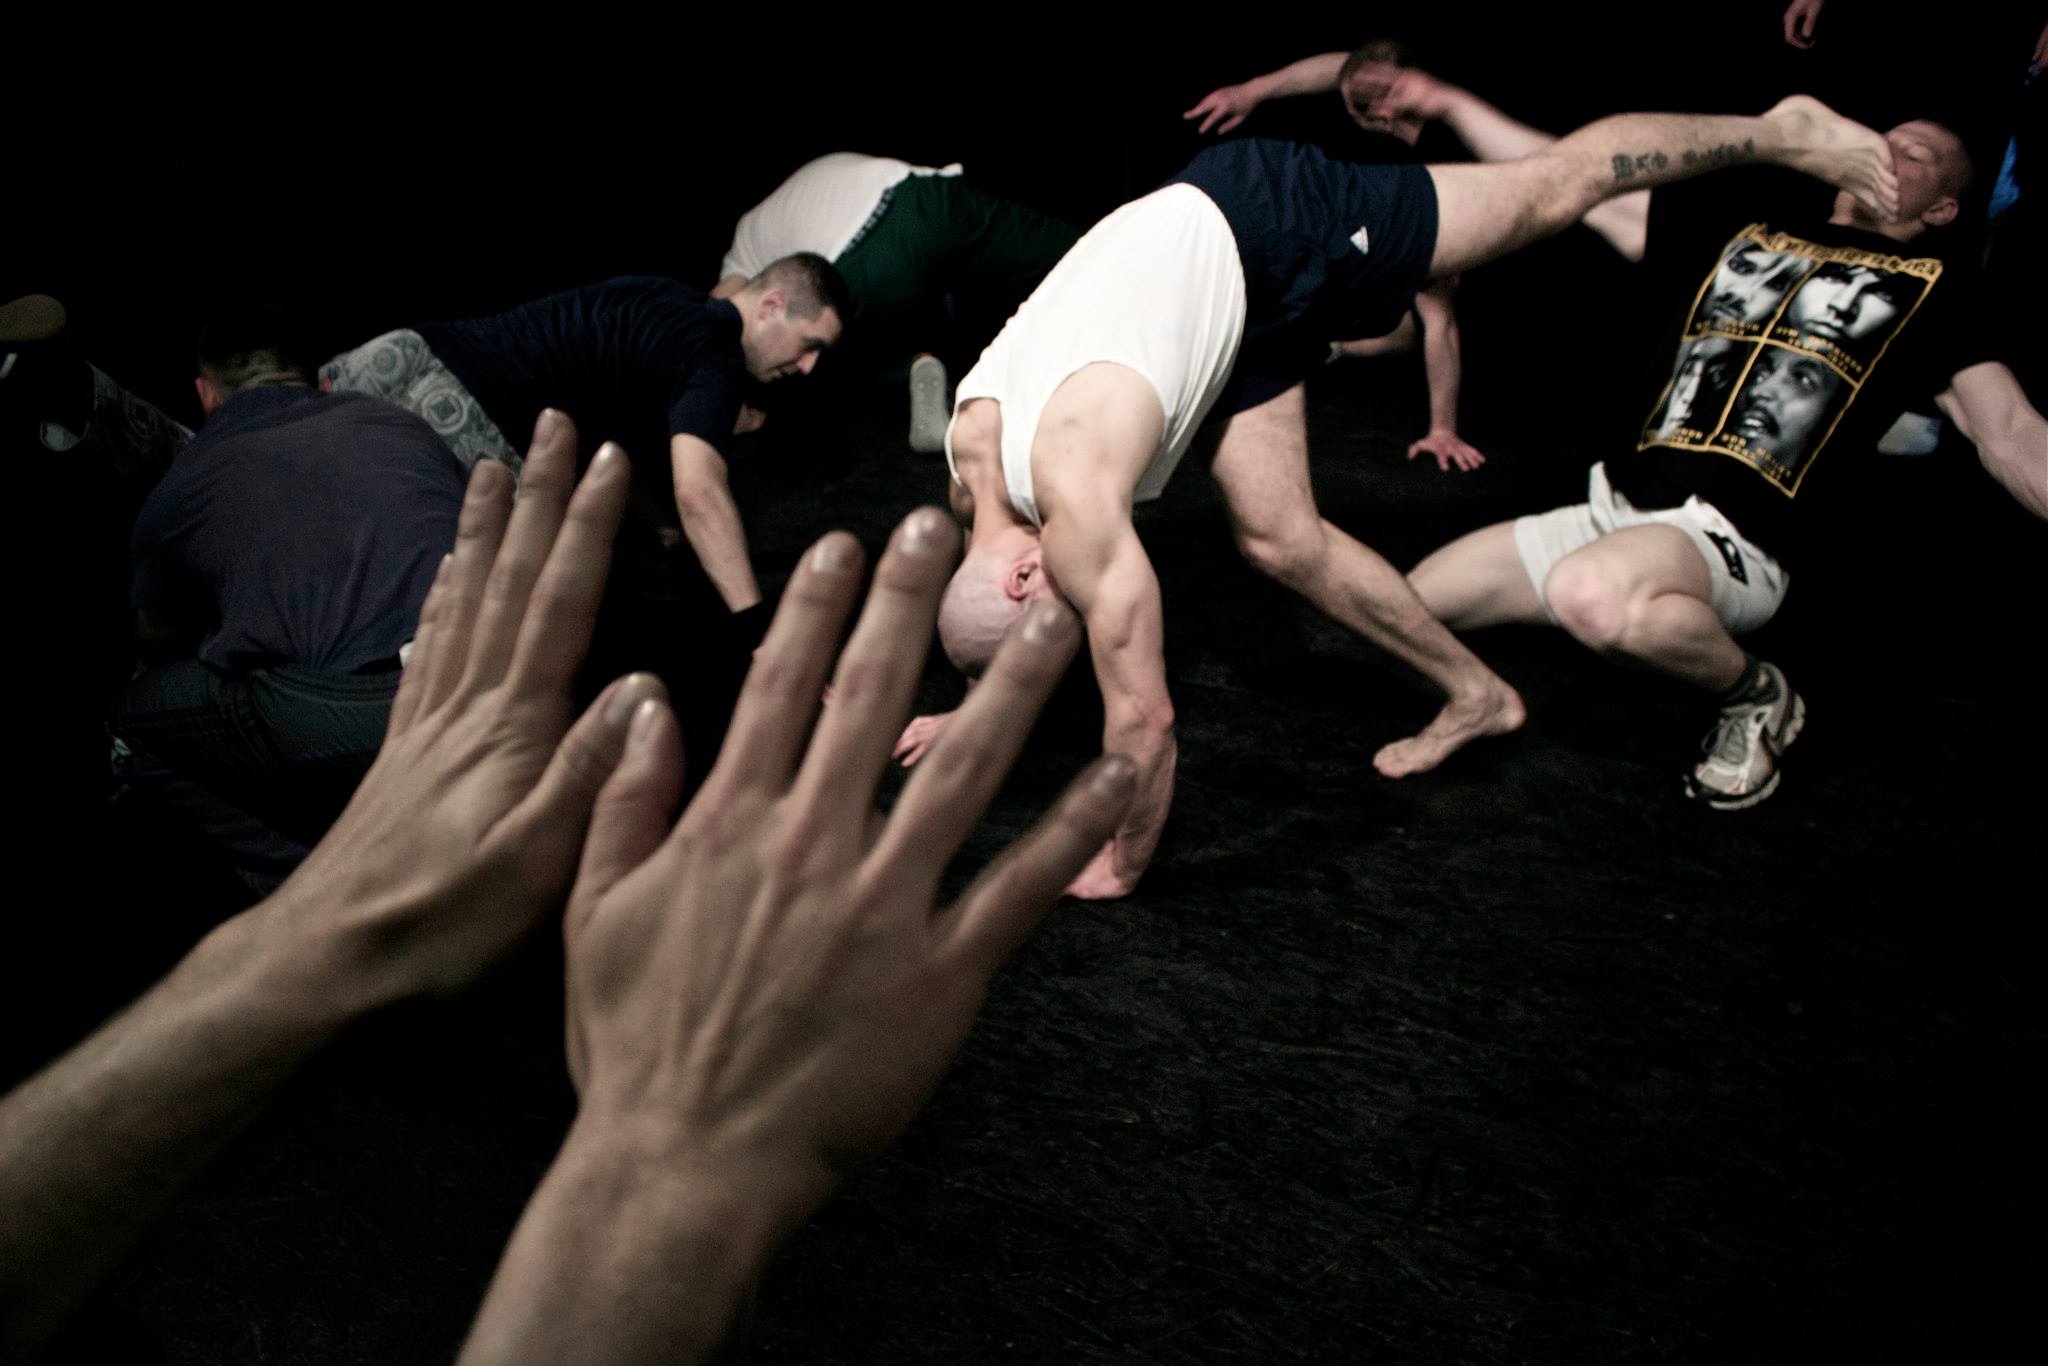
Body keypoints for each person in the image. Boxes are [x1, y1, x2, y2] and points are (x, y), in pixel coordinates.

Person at [0, 409, 1133, 1364]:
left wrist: (310, 931)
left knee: (144, 708)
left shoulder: (184, 484)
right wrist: (666, 1155)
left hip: (362, 699)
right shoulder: (377, 413)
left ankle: (284, 870)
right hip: (436, 669)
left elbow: (158, 628)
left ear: (206, 393)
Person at [901, 97, 1903, 898]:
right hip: (1225, 301)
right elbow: (999, 605)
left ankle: (1780, 129)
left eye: (1054, 629)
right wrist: (976, 702)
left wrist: (1122, 860)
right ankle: (1480, 695)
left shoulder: (1074, 498)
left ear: (1027, 574)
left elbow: (1146, 720)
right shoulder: (968, 467)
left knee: (1555, 186)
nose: (1069, 627)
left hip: (1271, 215)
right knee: (1281, 539)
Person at [1409, 117, 2048, 809]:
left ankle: (1757, 696)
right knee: (1404, 608)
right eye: (1880, 138)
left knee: (1591, 594)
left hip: (1730, 538)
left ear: (1942, 210)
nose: (1885, 151)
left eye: (1913, 154)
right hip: (1613, 510)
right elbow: (1576, 174)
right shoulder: (1746, 232)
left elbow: (2013, 433)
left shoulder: (1937, 291)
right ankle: (1482, 696)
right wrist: (1442, 99)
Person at [109, 303, 466, 892]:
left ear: (205, 395)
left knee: (135, 717)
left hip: (373, 712)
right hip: (493, 668)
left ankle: (313, 886)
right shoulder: (401, 424)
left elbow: (157, 643)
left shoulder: (180, 486)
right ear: (318, 381)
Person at [322, 261, 849, 611]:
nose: (808, 366)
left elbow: (608, 423)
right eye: (810, 345)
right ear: (771, 305)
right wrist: (754, 625)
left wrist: (658, 523)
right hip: (459, 425)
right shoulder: (716, 357)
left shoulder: (661, 294)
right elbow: (699, 491)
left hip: (399, 355)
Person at [1187, 40, 1488, 473]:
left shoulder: (1439, 157)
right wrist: (1252, 91)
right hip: (1377, 228)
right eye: (1359, 100)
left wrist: (1443, 429)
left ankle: (1325, 345)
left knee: (1420, 323)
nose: (1369, 112)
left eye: (1376, 102)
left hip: (1441, 220)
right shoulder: (1379, 99)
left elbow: (1442, 324)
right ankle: (1318, 341)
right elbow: (1338, 69)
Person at [714, 152, 1079, 452]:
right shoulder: (756, 236)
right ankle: (1101, 252)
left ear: (770, 306)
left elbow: (710, 329)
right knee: (1069, 255)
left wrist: (721, 406)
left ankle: (912, 369)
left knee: (820, 366)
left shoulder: (746, 266)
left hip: (869, 258)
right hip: (928, 198)